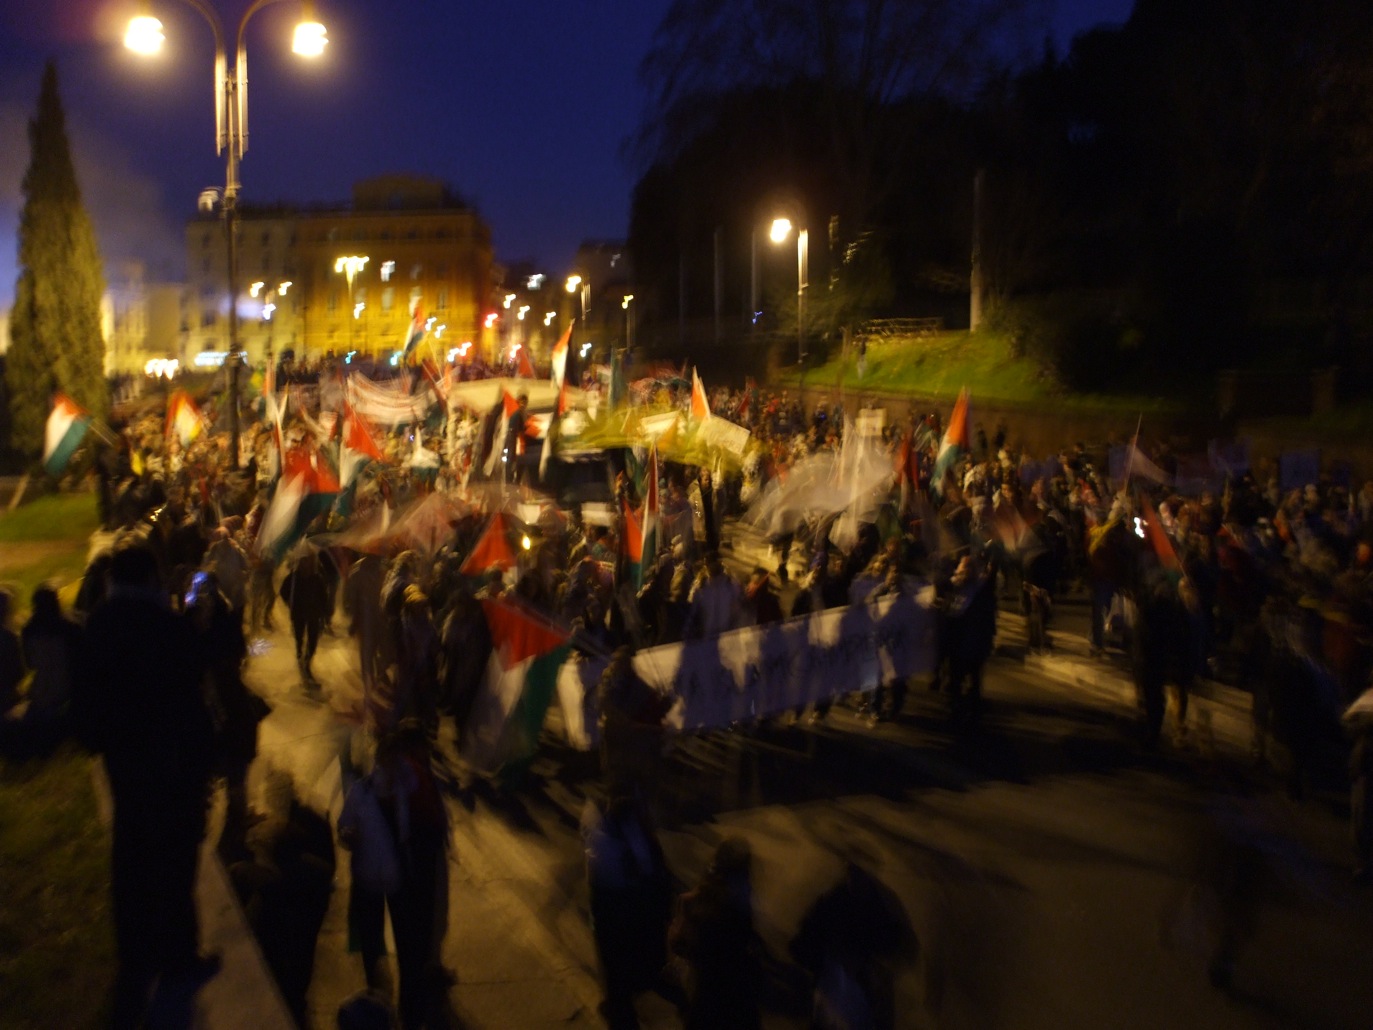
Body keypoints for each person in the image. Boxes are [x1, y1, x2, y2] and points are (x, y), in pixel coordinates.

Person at [74, 542, 220, 1027]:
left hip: (127, 769)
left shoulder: (98, 625)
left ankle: (135, 962)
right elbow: (195, 685)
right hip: (171, 768)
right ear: (153, 579)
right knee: (176, 864)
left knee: (132, 859)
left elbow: (87, 707)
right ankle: (179, 957)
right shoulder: (169, 627)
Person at [337, 732, 431, 1030]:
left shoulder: (405, 787)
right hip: (367, 879)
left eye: (396, 761)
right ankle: (376, 1001)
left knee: (406, 944)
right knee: (372, 941)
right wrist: (347, 836)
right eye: (387, 761)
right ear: (379, 762)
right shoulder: (361, 793)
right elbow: (344, 825)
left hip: (397, 879)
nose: (392, 767)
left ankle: (407, 1005)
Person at [582, 793, 674, 1028]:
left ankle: (620, 1005)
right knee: (625, 955)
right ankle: (626, 1005)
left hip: (607, 906)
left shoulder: (599, 835)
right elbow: (648, 870)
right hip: (623, 904)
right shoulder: (630, 841)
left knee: (614, 960)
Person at [668, 836, 763, 1029]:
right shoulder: (739, 900)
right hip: (731, 986)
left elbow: (679, 944)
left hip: (707, 985)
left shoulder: (697, 902)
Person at [16, 582, 83, 753]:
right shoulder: (70, 627)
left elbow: (30, 663)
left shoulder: (29, 629)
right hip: (68, 688)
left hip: (41, 689)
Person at [281, 549, 332, 688]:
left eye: (310, 560)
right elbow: (283, 592)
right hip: (298, 614)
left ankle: (307, 662)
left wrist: (325, 614)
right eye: (305, 560)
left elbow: (324, 597)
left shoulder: (317, 578)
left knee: (313, 639)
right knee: (299, 635)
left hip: (314, 615)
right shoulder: (293, 578)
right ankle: (299, 651)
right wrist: (290, 603)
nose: (308, 564)